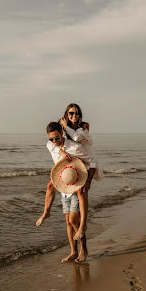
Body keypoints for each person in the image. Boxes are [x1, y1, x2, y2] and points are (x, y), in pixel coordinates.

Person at [36, 103, 102, 240]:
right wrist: (60, 149)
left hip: (85, 162)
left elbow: (78, 140)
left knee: (81, 192)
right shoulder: (60, 132)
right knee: (50, 186)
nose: (74, 116)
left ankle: (83, 225)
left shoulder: (83, 128)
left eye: (76, 113)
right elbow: (50, 142)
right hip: (69, 165)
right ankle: (46, 212)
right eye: (71, 113)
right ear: (66, 115)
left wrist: (88, 180)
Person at [46, 122, 90, 262]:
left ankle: (84, 249)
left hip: (76, 183)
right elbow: (49, 145)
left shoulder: (75, 147)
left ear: (62, 133)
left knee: (73, 220)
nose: (54, 142)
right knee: (68, 222)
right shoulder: (52, 145)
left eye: (57, 138)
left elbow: (91, 162)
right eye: (51, 139)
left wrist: (86, 180)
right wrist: (61, 151)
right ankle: (73, 252)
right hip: (64, 186)